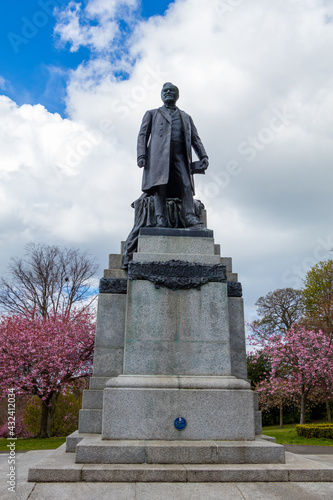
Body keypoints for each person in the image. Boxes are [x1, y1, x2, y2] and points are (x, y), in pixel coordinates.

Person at [137, 82, 209, 228]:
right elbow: (143, 135)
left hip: (180, 154)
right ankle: (160, 219)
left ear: (177, 95)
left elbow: (195, 138)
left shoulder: (186, 116)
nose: (168, 92)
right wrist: (141, 155)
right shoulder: (152, 113)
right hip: (158, 156)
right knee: (160, 186)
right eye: (165, 90)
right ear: (161, 94)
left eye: (172, 91)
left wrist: (203, 156)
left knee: (186, 185)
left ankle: (190, 217)